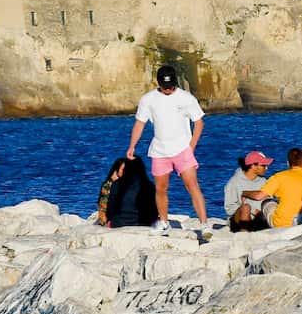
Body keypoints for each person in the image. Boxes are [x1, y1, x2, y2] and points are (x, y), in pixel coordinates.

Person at [126, 65, 209, 235]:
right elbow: (140, 123)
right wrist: (132, 146)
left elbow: (199, 122)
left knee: (192, 185)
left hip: (182, 149)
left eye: (171, 86)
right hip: (159, 151)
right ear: (159, 84)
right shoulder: (148, 99)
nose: (168, 90)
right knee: (161, 188)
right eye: (165, 87)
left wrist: (191, 146)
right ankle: (164, 223)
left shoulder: (186, 98)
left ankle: (204, 224)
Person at [244, 148, 302, 228]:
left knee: (267, 201)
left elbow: (258, 196)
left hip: (282, 223)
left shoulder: (279, 177)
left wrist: (245, 193)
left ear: (288, 163)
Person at [224, 151, 273, 232]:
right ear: (253, 166)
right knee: (246, 208)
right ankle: (244, 236)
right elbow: (229, 209)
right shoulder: (234, 182)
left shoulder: (264, 181)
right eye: (263, 165)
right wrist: (253, 211)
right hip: (239, 220)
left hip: (259, 218)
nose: (266, 168)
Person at [105, 155, 157, 228]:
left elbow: (110, 206)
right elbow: (154, 210)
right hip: (142, 223)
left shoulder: (116, 184)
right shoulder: (148, 185)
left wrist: (110, 220)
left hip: (118, 222)